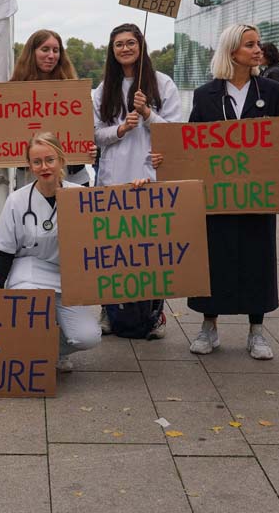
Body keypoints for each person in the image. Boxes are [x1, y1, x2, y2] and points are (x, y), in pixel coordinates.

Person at [180, 23, 279, 359]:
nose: (258, 49)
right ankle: (209, 326)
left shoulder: (273, 91)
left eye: (258, 44)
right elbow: (190, 144)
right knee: (214, 257)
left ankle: (256, 331)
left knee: (257, 256)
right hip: (216, 196)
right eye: (250, 44)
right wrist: (167, 157)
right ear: (232, 51)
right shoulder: (206, 96)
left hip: (257, 194)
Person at [92, 22, 181, 338]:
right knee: (111, 250)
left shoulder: (162, 84)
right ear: (112, 51)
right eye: (119, 44)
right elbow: (94, 135)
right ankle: (108, 310)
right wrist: (120, 129)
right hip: (113, 180)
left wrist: (146, 114)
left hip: (149, 178)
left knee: (150, 250)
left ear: (141, 46)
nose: (125, 49)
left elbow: (174, 133)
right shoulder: (103, 89)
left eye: (130, 43)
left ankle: (153, 314)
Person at [0, 132, 102, 372]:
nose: (44, 167)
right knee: (29, 313)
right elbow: (4, 249)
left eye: (50, 160)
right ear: (29, 165)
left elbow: (109, 224)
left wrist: (139, 187)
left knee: (88, 337)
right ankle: (32, 353)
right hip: (27, 274)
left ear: (61, 160)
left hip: (66, 278)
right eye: (37, 162)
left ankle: (53, 350)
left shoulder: (79, 196)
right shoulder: (17, 201)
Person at [10, 29, 94, 187]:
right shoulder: (12, 92)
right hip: (31, 181)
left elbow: (88, 129)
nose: (51, 55)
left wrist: (92, 148)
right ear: (32, 53)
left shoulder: (74, 91)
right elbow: (4, 133)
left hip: (73, 178)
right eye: (45, 49)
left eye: (56, 50)